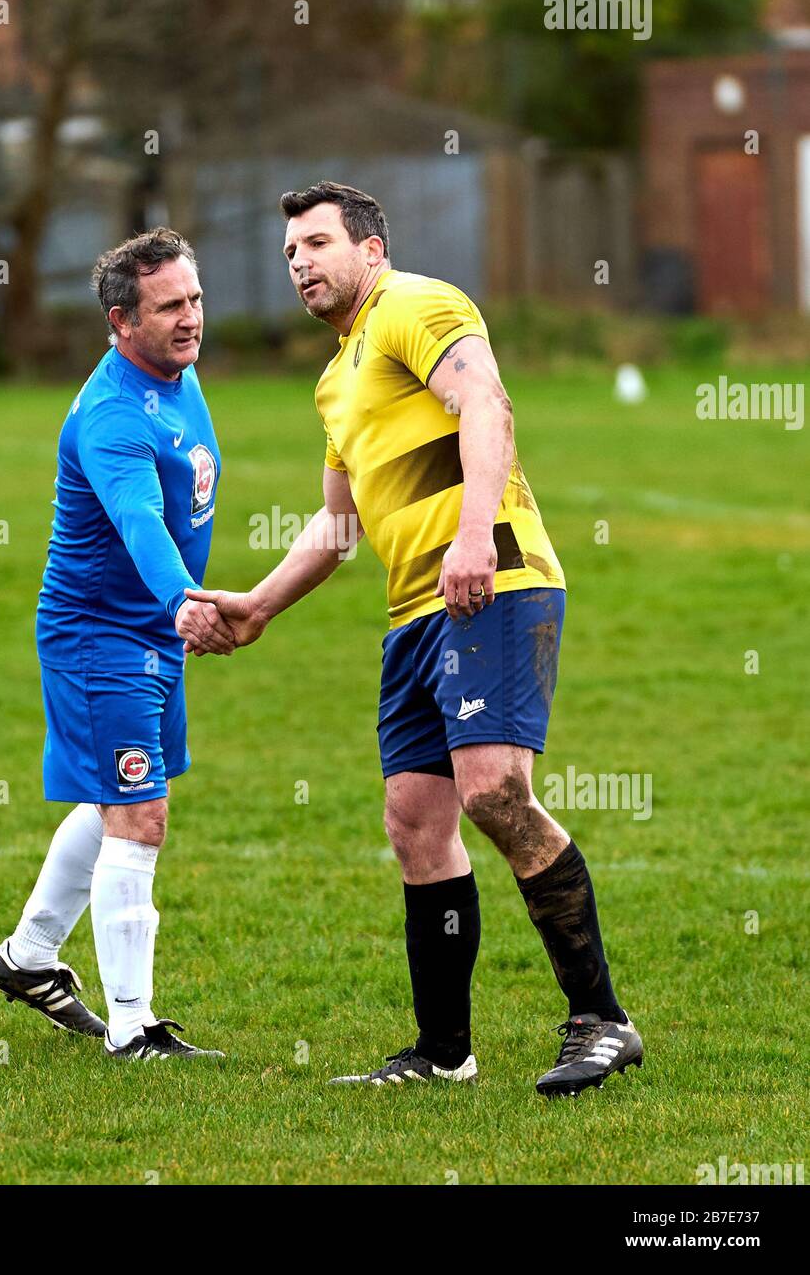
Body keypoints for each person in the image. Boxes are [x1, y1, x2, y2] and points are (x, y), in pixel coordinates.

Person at [186, 182, 642, 1094]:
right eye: (289, 253)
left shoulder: (414, 304)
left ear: (372, 248)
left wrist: (472, 535)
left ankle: (602, 1020)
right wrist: (260, 605)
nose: (301, 263)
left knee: (494, 794)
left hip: (493, 583)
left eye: (318, 243)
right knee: (415, 826)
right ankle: (443, 1055)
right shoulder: (333, 377)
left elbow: (488, 406)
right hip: (412, 613)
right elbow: (338, 525)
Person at [0, 228, 229, 1062]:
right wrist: (185, 602)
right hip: (101, 636)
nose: (191, 318)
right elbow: (138, 520)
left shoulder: (177, 373)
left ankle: (25, 959)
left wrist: (174, 612)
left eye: (194, 299)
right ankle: (133, 1028)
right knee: (140, 812)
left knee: (116, 797)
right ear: (121, 322)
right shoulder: (114, 415)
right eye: (170, 308)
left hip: (150, 628)